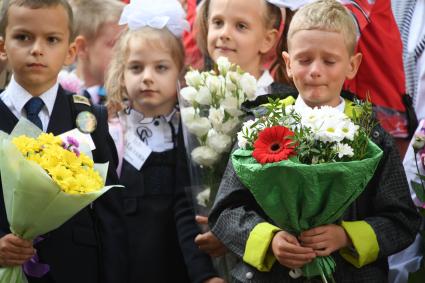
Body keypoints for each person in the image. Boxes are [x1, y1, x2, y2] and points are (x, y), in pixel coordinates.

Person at [208, 1, 420, 282]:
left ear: (352, 65)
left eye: (329, 61)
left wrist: (346, 236)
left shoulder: (371, 134)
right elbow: (225, 211)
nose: (315, 71)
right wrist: (269, 240)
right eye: (305, 60)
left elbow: (402, 219)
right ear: (288, 63)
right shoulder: (260, 126)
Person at [0, 1, 127, 283]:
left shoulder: (88, 119)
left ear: (70, 51)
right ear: (2, 47)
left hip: (76, 270)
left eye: (52, 39)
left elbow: (110, 218)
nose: (37, 49)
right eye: (23, 37)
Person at [104, 0, 223, 282]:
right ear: (122, 74)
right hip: (124, 267)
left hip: (180, 266)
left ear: (180, 74)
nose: (147, 78)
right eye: (136, 68)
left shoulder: (195, 134)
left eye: (160, 68)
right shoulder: (113, 133)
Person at [58, 0, 124, 105]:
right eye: (114, 44)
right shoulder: (56, 92)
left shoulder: (129, 99)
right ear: (82, 47)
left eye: (127, 44)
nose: (125, 52)